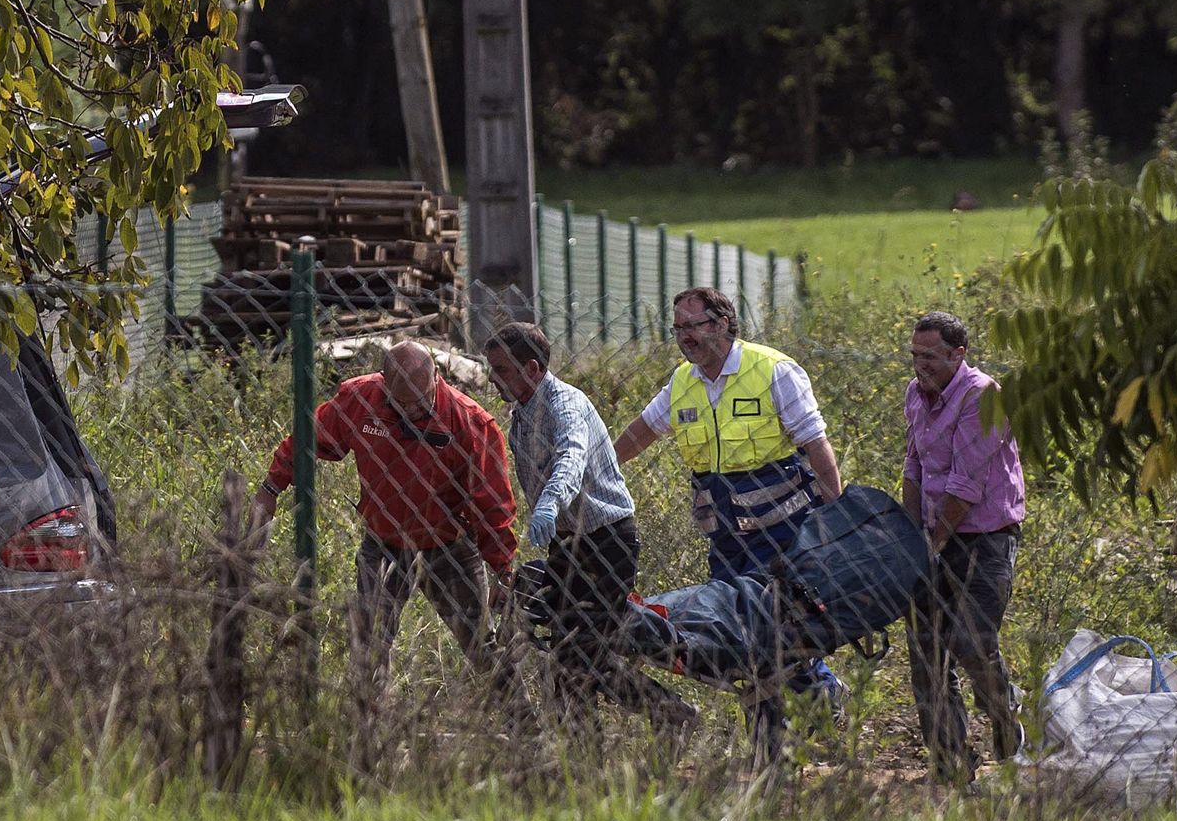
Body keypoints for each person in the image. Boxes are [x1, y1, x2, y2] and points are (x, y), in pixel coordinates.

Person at [251, 341, 532, 751]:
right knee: (369, 645)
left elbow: (494, 507)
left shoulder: (471, 424)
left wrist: (504, 572)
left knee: (481, 646)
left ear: (437, 379)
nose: (411, 414)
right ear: (384, 387)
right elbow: (309, 438)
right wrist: (270, 487)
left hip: (449, 549)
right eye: (401, 406)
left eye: (420, 405)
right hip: (383, 546)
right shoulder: (360, 400)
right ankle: (367, 743)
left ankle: (529, 736)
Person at [612, 286, 847, 763]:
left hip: (784, 533)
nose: (683, 338)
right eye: (677, 328)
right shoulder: (682, 383)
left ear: (721, 324)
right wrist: (602, 467)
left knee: (781, 631)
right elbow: (642, 431)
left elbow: (815, 444)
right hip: (726, 538)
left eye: (692, 326)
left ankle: (817, 698)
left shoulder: (772, 370)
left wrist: (837, 516)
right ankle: (776, 741)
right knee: (742, 638)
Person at [483, 322, 698, 746]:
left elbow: (572, 453)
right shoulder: (522, 415)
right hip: (568, 542)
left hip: (606, 540)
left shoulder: (565, 403)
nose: (492, 378)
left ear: (531, 368)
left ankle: (664, 715)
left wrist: (550, 501)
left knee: (579, 653)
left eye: (501, 369)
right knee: (570, 649)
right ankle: (588, 744)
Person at [903, 311, 1025, 785]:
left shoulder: (983, 396)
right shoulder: (916, 394)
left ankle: (1005, 717)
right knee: (927, 652)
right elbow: (913, 468)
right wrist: (910, 538)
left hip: (985, 538)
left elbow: (966, 483)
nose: (920, 365)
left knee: (971, 642)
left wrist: (932, 543)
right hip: (934, 537)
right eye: (914, 355)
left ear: (958, 355)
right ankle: (951, 766)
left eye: (929, 356)